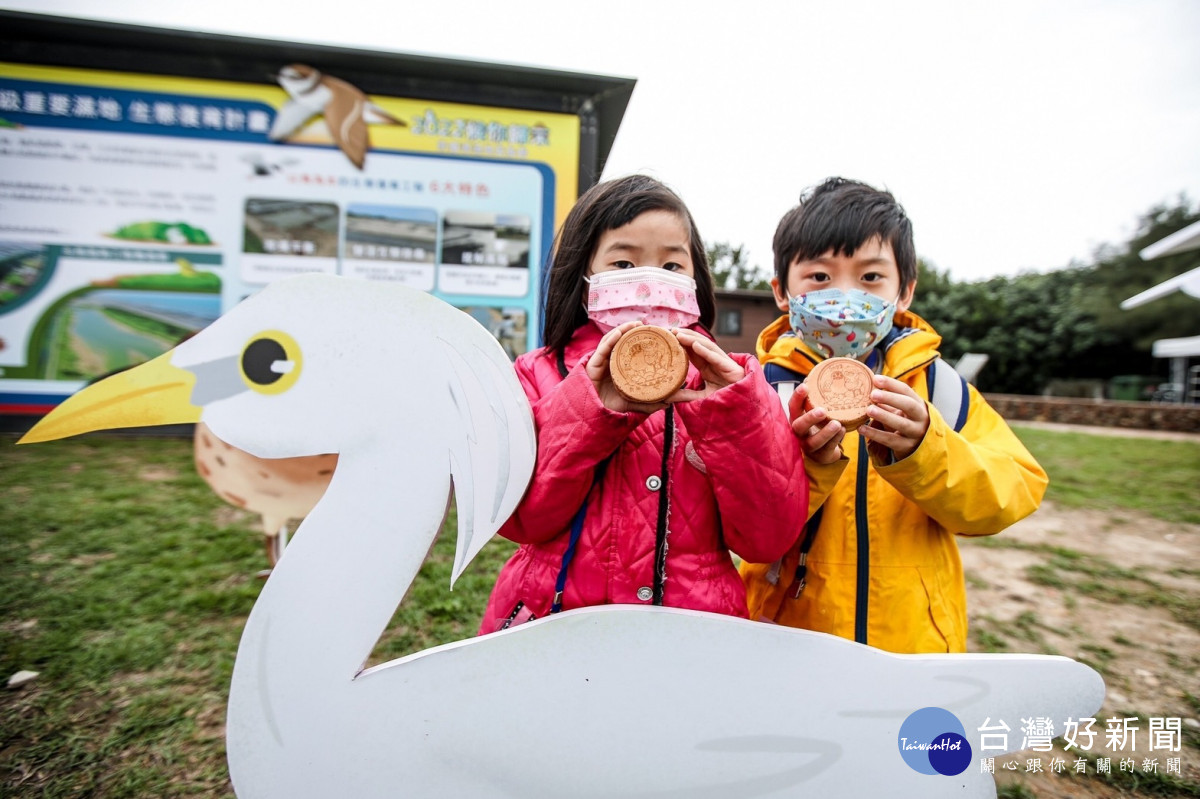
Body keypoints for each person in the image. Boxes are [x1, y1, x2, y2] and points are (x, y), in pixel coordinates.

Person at [479, 175, 808, 633]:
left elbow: (768, 538)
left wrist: (732, 415)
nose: (650, 282)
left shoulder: (732, 385)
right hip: (553, 631)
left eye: (672, 266)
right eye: (623, 262)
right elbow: (521, 520)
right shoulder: (539, 374)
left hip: (693, 640)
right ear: (585, 276)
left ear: (697, 281)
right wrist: (591, 405)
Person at [739, 177, 1048, 654]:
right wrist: (806, 467)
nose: (844, 298)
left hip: (914, 645)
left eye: (870, 278)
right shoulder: (760, 391)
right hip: (785, 641)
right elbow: (738, 526)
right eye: (820, 277)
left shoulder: (941, 388)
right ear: (783, 291)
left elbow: (1011, 492)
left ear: (904, 291)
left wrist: (927, 449)